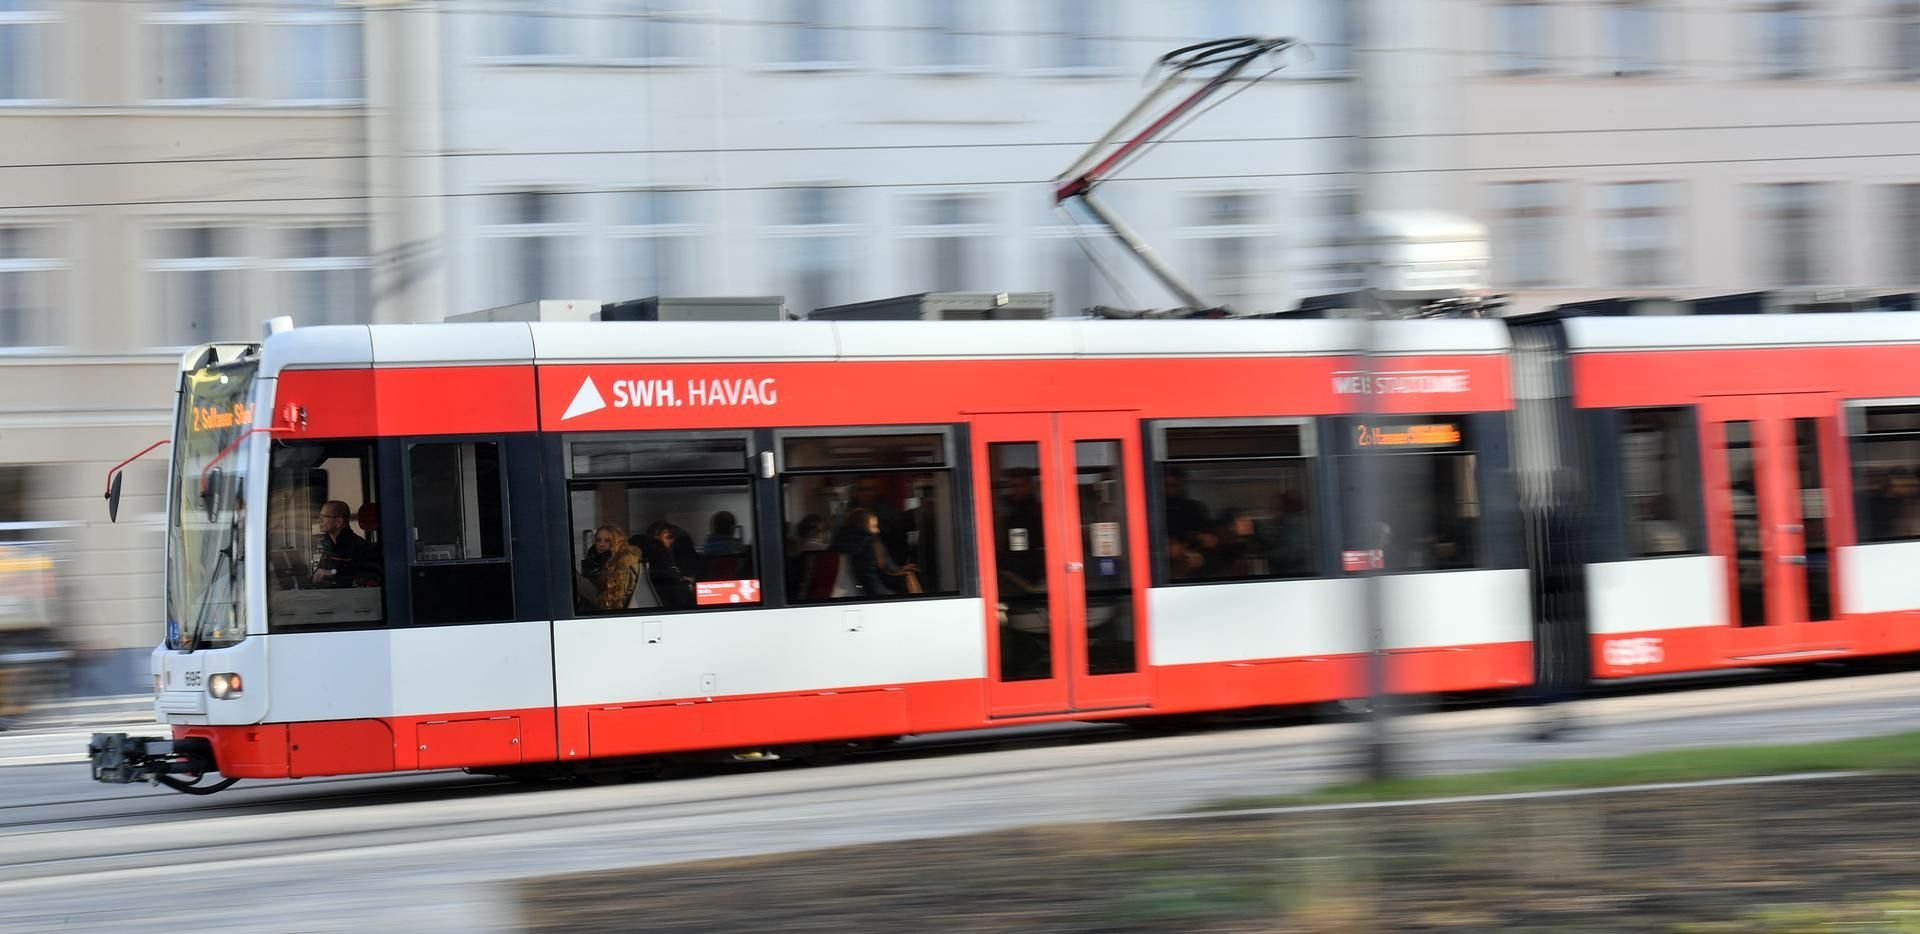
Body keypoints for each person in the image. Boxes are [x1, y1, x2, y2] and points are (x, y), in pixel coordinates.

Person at [310, 500, 380, 588]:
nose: (318, 520)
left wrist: (332, 574)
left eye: (324, 516)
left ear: (338, 522)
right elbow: (318, 577)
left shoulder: (359, 547)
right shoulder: (328, 548)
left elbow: (363, 582)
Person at [591, 525, 641, 611]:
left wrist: (580, 582)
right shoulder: (595, 562)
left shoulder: (625, 564)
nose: (601, 544)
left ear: (617, 541)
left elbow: (612, 604)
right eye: (598, 540)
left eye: (607, 540)